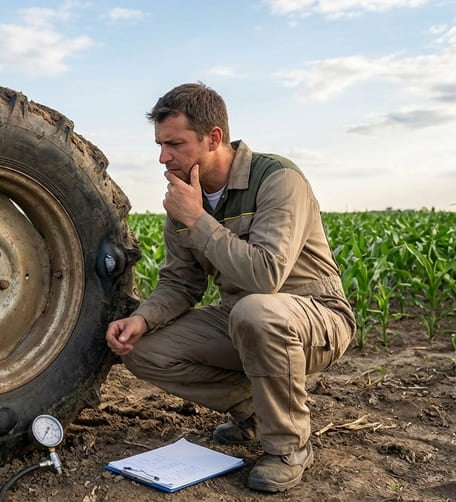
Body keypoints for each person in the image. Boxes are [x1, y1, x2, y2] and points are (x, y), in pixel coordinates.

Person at [105, 82, 355, 493]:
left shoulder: (277, 179)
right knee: (145, 349)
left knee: (257, 311)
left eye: (175, 144)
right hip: (243, 320)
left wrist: (199, 220)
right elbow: (181, 284)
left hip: (315, 317)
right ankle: (257, 410)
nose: (163, 157)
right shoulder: (187, 196)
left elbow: (266, 276)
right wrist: (141, 320)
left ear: (214, 138)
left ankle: (289, 446)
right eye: (160, 144)